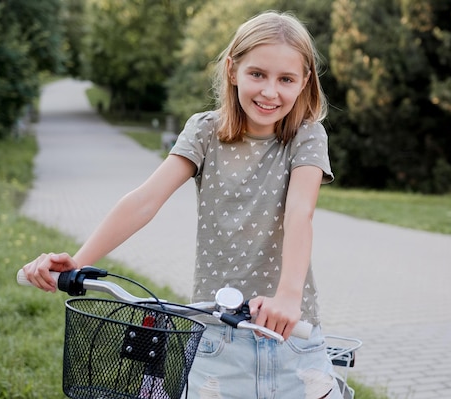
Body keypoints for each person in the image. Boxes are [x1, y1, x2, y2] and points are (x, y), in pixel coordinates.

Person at [22, 10, 342, 399]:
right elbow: (145, 200)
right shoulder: (206, 131)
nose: (270, 92)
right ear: (232, 70)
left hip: (292, 334)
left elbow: (299, 212)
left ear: (304, 82)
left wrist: (289, 295)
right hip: (217, 337)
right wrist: (80, 261)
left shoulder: (307, 136)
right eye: (257, 74)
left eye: (286, 79)